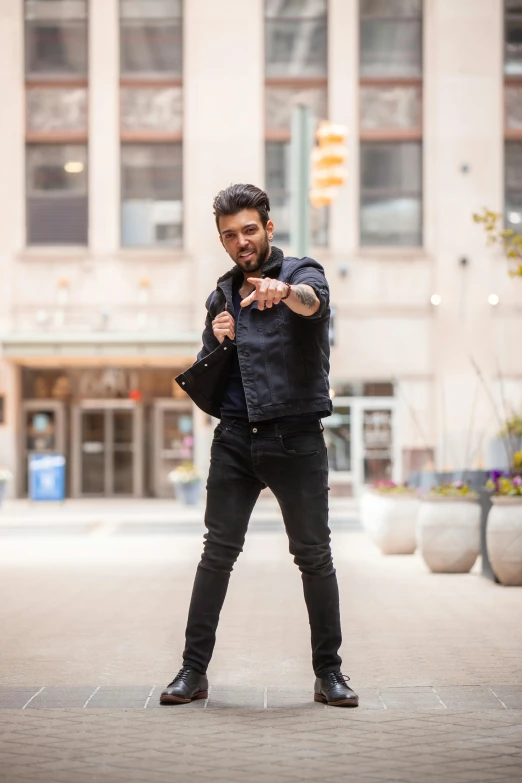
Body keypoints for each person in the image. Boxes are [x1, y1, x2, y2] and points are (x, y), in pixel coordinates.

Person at [160, 184, 358, 708]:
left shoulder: (301, 274)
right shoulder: (220, 294)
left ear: (268, 228)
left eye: (249, 230)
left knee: (313, 556)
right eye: (230, 235)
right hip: (233, 440)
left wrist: (284, 293)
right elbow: (212, 373)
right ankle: (192, 671)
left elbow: (316, 305)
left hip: (295, 439)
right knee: (215, 556)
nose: (241, 241)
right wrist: (216, 338)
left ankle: (330, 674)